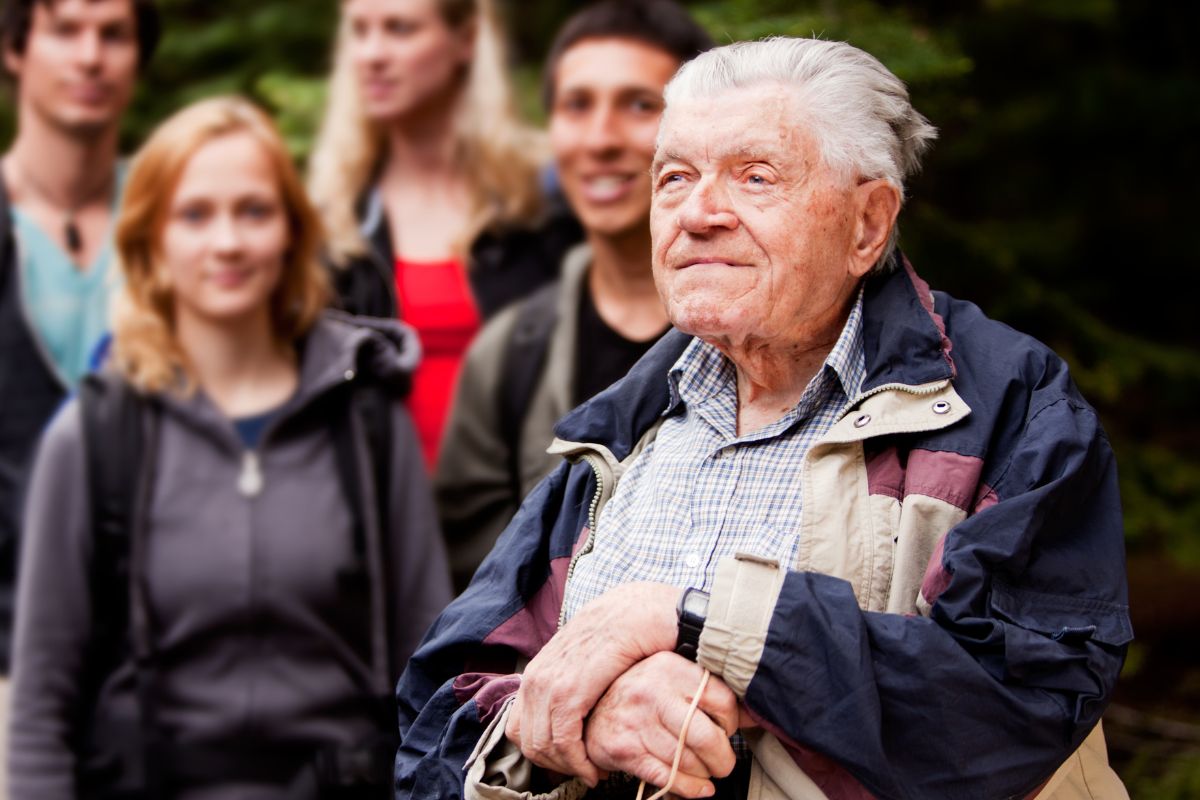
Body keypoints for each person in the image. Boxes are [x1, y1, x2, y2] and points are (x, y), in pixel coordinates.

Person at [393, 37, 1132, 800]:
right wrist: (566, 728)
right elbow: (437, 709)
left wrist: (690, 618)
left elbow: (1023, 705)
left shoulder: (1009, 404)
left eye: (755, 177)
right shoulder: (620, 432)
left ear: (867, 225)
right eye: (674, 177)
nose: (699, 213)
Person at [7, 96, 452, 799]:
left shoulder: (366, 419)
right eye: (194, 215)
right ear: (152, 239)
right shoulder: (94, 437)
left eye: (253, 211)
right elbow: (40, 708)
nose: (227, 243)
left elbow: (429, 668)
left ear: (290, 232)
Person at [434, 0, 713, 592]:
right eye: (576, 105)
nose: (600, 139)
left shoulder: (772, 335)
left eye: (640, 105)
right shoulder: (510, 352)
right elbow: (475, 584)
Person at [308, 0, 583, 469]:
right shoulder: (332, 214)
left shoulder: (546, 197)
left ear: (466, 39)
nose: (372, 54)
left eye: (400, 28)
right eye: (359, 30)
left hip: (525, 514)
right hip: (383, 519)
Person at [0, 0, 158, 730]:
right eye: (65, 30)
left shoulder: (179, 224)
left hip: (166, 666)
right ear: (14, 49)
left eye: (113, 34)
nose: (90, 56)